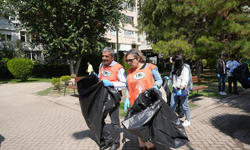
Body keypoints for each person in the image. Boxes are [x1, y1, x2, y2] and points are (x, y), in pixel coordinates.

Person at [124, 48, 162, 150]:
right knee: (138, 128)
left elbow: (159, 80)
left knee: (147, 128)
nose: (128, 63)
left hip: (148, 103)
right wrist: (127, 97)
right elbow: (128, 87)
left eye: (131, 60)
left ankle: (151, 147)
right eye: (127, 60)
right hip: (135, 104)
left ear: (139, 58)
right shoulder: (129, 72)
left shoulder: (150, 67)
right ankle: (143, 147)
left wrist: (155, 87)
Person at [98, 47, 126, 150]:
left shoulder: (119, 68)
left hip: (113, 97)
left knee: (114, 121)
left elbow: (123, 84)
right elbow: (99, 77)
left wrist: (111, 84)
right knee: (100, 118)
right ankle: (108, 139)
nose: (104, 58)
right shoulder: (101, 65)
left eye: (107, 56)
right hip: (102, 96)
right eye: (103, 56)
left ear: (112, 57)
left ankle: (116, 142)